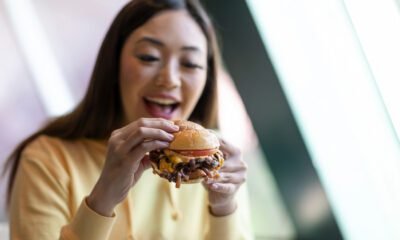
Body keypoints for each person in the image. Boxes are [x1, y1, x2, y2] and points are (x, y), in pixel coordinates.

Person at [5, 0, 252, 239]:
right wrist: (102, 199)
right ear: (114, 65)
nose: (170, 79)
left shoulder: (217, 166)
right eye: (149, 57)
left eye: (190, 63)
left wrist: (224, 209)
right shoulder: (47, 160)